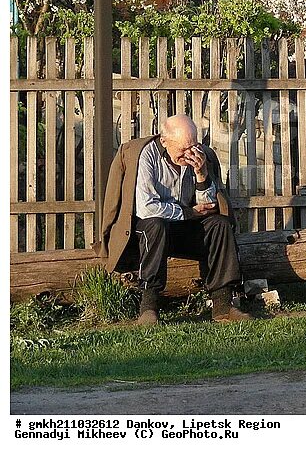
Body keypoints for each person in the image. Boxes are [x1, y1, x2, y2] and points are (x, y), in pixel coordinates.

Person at [95, 114, 251, 325]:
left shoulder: (201, 157)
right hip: (149, 230)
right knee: (156, 225)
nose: (190, 153)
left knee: (219, 225)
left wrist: (202, 175)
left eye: (193, 146)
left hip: (184, 226)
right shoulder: (145, 156)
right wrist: (188, 213)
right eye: (183, 149)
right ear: (164, 141)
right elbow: (147, 208)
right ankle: (148, 308)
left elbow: (208, 207)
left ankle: (223, 305)